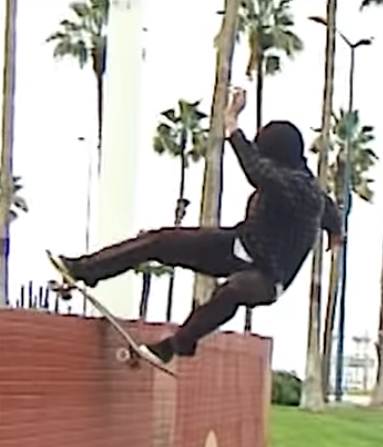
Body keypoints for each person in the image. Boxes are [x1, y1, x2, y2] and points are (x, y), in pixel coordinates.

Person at [60, 86, 344, 363]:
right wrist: (336, 233)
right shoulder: (310, 189)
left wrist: (232, 125)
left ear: (276, 157)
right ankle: (86, 269)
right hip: (236, 246)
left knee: (233, 291)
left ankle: (176, 344)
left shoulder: (300, 187)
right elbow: (332, 213)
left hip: (268, 278)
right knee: (160, 241)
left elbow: (257, 172)